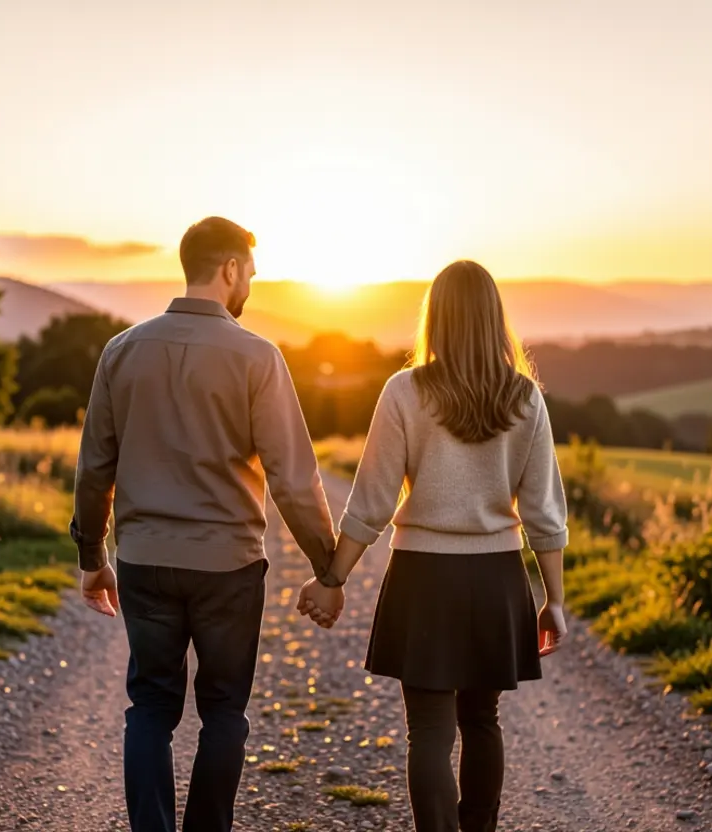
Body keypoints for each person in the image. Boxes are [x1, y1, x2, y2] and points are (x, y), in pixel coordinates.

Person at [70, 216, 344, 832]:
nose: (250, 285)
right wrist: (329, 568)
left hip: (145, 560)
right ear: (229, 268)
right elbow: (293, 479)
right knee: (223, 712)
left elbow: (94, 469)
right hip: (229, 567)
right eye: (250, 273)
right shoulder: (259, 357)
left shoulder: (121, 351)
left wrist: (92, 558)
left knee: (150, 707)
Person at [298, 259, 570, 832]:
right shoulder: (525, 398)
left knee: (428, 731)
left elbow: (370, 502)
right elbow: (544, 513)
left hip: (422, 578)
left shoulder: (404, 391)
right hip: (496, 577)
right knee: (483, 720)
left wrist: (333, 578)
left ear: (436, 318)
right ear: (494, 319)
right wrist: (555, 600)